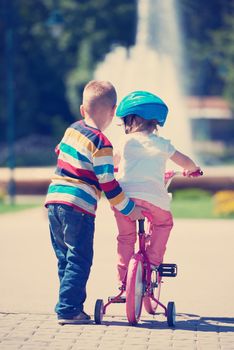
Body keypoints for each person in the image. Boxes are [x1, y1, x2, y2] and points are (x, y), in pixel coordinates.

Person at [45, 81, 145, 325]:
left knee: (65, 258)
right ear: (114, 111)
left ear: (82, 110)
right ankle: (68, 310)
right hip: (78, 207)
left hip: (54, 200)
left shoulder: (72, 130)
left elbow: (60, 151)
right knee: (80, 258)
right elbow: (108, 183)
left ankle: (68, 304)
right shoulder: (102, 142)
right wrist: (130, 209)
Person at [113, 90, 201, 285]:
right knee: (163, 224)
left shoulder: (124, 142)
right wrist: (193, 169)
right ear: (155, 122)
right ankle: (152, 264)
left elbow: (112, 162)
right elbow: (185, 161)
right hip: (153, 199)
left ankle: (123, 279)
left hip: (124, 200)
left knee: (126, 237)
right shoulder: (162, 144)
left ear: (132, 120)